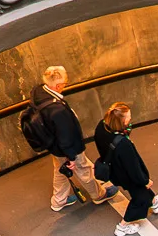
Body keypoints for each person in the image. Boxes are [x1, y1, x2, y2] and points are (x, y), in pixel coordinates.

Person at [24, 65, 117, 211]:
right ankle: (99, 195)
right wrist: (71, 157)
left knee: (60, 169)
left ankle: (59, 201)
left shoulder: (39, 91)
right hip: (66, 147)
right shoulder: (57, 110)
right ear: (59, 85)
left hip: (54, 145)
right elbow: (66, 136)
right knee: (83, 169)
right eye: (65, 84)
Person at [93, 103, 158, 236]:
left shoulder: (101, 127)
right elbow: (133, 167)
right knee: (141, 198)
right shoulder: (123, 144)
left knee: (140, 193)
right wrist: (144, 181)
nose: (130, 119)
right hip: (126, 174)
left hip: (114, 170)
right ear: (121, 121)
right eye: (128, 117)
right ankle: (123, 226)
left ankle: (154, 202)